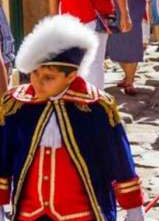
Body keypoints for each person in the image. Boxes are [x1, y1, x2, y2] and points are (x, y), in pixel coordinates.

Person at [0, 15, 145, 221]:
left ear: (71, 76)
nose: (37, 83)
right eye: (34, 73)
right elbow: (2, 156)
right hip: (30, 214)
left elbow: (120, 160)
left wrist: (133, 207)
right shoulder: (17, 106)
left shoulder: (95, 108)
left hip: (82, 214)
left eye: (48, 78)